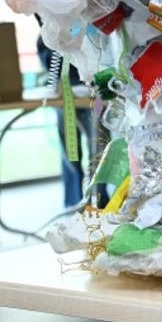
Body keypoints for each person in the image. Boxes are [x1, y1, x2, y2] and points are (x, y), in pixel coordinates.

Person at [37, 36, 98, 208]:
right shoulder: (51, 27)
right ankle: (74, 202)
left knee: (100, 149)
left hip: (94, 90)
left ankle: (100, 201)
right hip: (64, 90)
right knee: (70, 151)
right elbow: (45, 50)